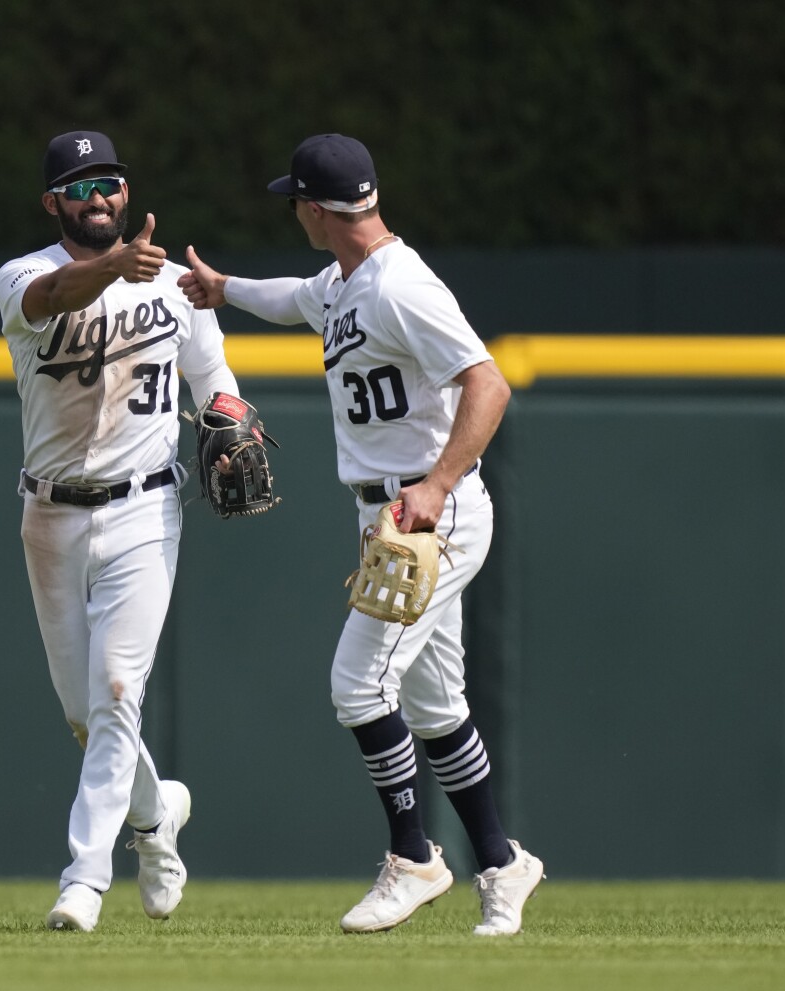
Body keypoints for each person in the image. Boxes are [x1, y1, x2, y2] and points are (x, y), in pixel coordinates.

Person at [177, 134, 544, 936]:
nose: (294, 212)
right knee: (437, 706)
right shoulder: (344, 282)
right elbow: (292, 299)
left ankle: (414, 857)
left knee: (356, 685)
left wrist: (438, 486)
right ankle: (501, 861)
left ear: (314, 207)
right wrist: (221, 289)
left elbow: (490, 382)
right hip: (387, 514)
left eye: (294, 201)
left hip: (431, 512)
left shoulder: (400, 288)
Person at [0, 130, 247, 932]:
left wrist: (231, 416)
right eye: (79, 186)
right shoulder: (22, 275)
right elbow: (53, 300)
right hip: (49, 516)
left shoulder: (174, 284)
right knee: (86, 712)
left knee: (114, 693)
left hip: (145, 506)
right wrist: (112, 267)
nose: (98, 197)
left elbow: (214, 382)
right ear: (52, 203)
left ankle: (84, 877)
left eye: (108, 182)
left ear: (126, 192)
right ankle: (155, 819)